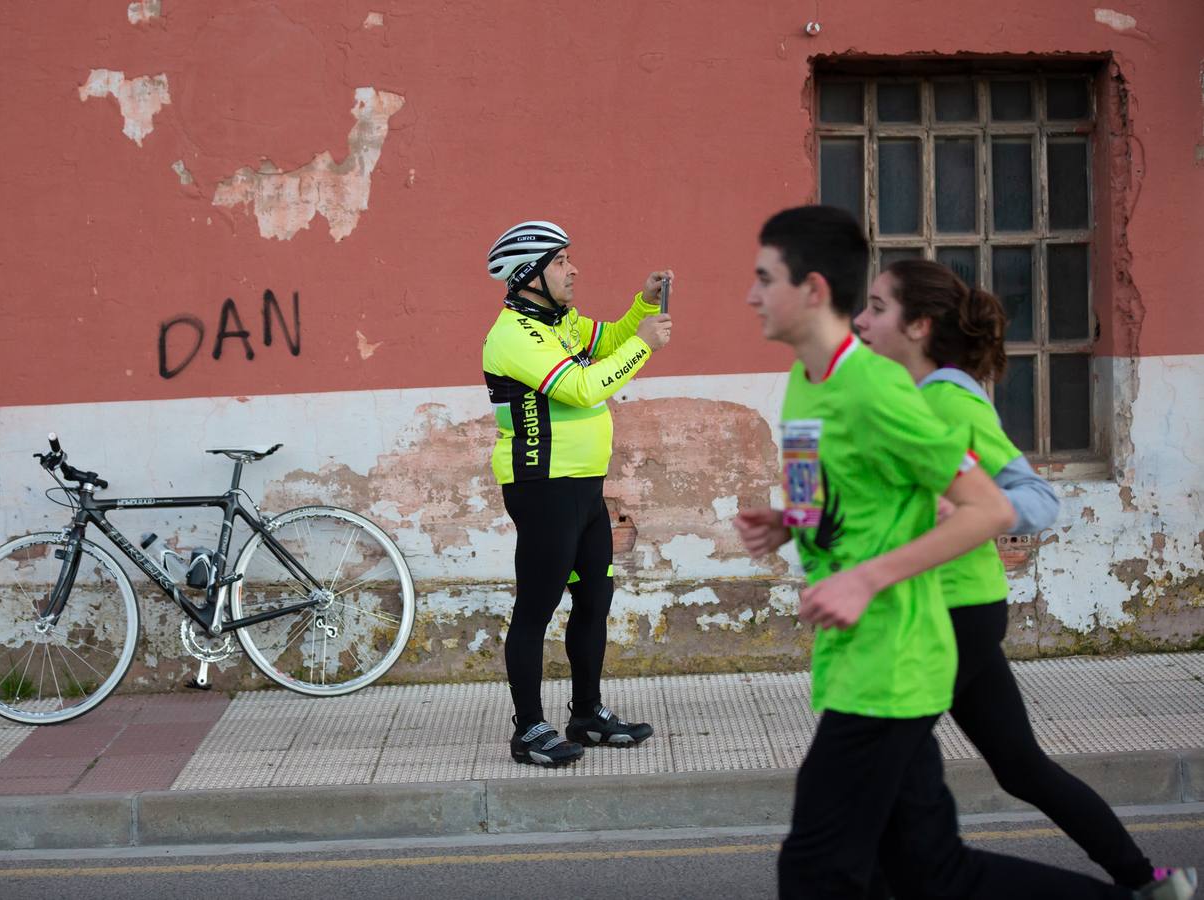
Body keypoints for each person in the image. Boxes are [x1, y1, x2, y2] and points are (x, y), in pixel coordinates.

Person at [735, 205, 1192, 899]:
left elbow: (1004, 504)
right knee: (928, 862)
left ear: (813, 288)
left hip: (919, 635)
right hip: (860, 649)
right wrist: (789, 523)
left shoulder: (898, 393)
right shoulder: (806, 382)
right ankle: (1139, 885)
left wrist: (866, 576)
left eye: (763, 278)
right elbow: (832, 502)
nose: (748, 294)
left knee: (825, 868)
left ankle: (1138, 880)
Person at [852, 258, 1197, 894]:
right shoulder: (924, 396)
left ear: (920, 325)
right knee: (1018, 766)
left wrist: (972, 507)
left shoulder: (946, 401)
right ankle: (1150, 880)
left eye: (876, 306)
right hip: (961, 607)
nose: (861, 319)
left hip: (946, 615)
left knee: (872, 781)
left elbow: (1035, 498)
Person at [482, 219, 671, 766]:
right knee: (536, 608)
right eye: (561, 261)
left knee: (595, 599)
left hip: (584, 485)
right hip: (542, 486)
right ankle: (529, 730)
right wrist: (645, 346)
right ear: (531, 274)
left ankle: (586, 714)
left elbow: (606, 340)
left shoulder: (557, 322)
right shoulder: (514, 335)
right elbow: (584, 386)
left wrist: (641, 306)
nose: (573, 268)